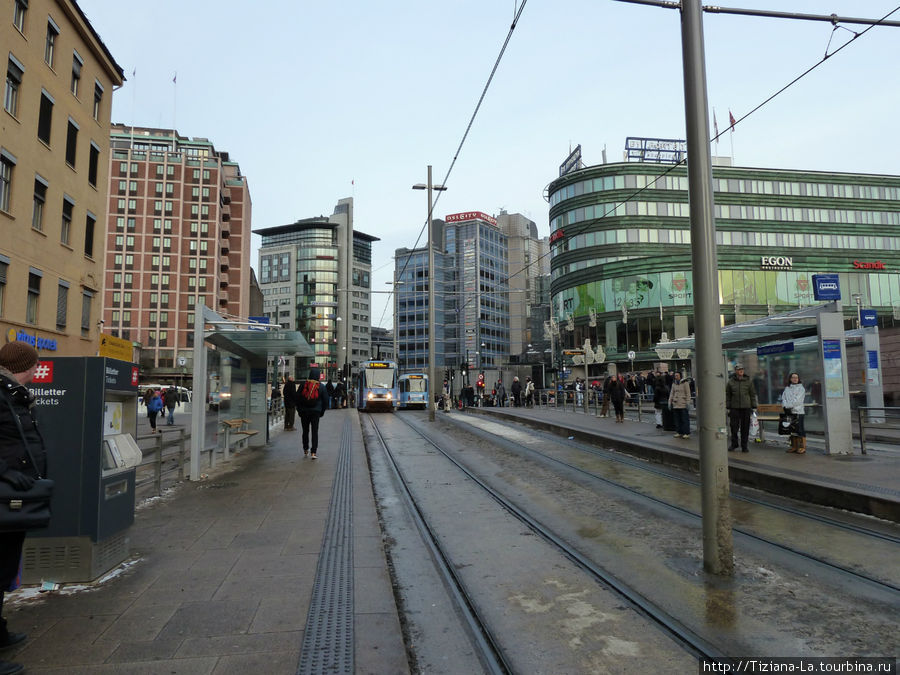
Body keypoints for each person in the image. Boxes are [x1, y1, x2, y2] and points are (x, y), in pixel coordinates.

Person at [0, 342, 49, 675]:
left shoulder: (14, 394)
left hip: (15, 499)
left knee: (4, 568)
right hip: (5, 492)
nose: (37, 370)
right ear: (26, 365)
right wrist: (5, 471)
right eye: (35, 365)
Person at [725, 363, 758, 452]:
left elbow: (752, 394)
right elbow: (728, 395)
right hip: (734, 408)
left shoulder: (748, 381)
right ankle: (734, 444)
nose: (741, 371)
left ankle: (744, 445)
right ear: (736, 371)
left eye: (742, 369)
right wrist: (728, 406)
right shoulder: (731, 382)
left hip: (746, 407)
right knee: (734, 427)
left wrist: (754, 405)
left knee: (745, 428)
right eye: (739, 369)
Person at [297, 367, 327, 458]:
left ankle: (305, 449)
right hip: (316, 412)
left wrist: (299, 410)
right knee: (315, 432)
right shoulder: (321, 386)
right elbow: (325, 400)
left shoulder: (303, 385)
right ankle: (313, 452)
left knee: (305, 431)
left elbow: (297, 398)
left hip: (304, 412)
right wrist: (322, 411)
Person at [781, 372, 807, 454]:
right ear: (790, 379)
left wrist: (788, 406)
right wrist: (785, 406)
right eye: (793, 377)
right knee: (791, 429)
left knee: (800, 429)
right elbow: (783, 398)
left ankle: (802, 447)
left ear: (798, 379)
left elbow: (798, 401)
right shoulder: (787, 388)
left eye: (796, 377)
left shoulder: (801, 389)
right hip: (789, 412)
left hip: (798, 412)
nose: (795, 379)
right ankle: (794, 446)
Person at [668, 371, 692, 438]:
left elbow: (688, 393)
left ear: (680, 376)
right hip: (675, 404)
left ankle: (686, 433)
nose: (676, 377)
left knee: (684, 419)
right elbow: (671, 393)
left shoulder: (685, 383)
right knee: (677, 420)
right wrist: (669, 402)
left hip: (683, 404)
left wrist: (688, 402)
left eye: (677, 375)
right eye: (675, 375)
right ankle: (679, 432)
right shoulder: (674, 384)